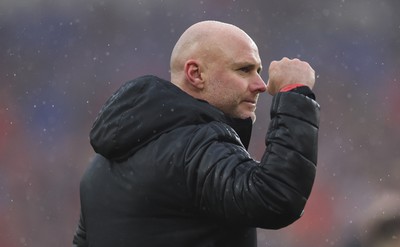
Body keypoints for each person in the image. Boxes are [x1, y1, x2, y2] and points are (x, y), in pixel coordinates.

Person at [72, 20, 320, 247]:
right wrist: (294, 93)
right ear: (195, 74)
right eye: (244, 70)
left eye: (257, 70)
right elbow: (274, 198)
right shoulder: (195, 144)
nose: (260, 85)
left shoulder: (100, 165)